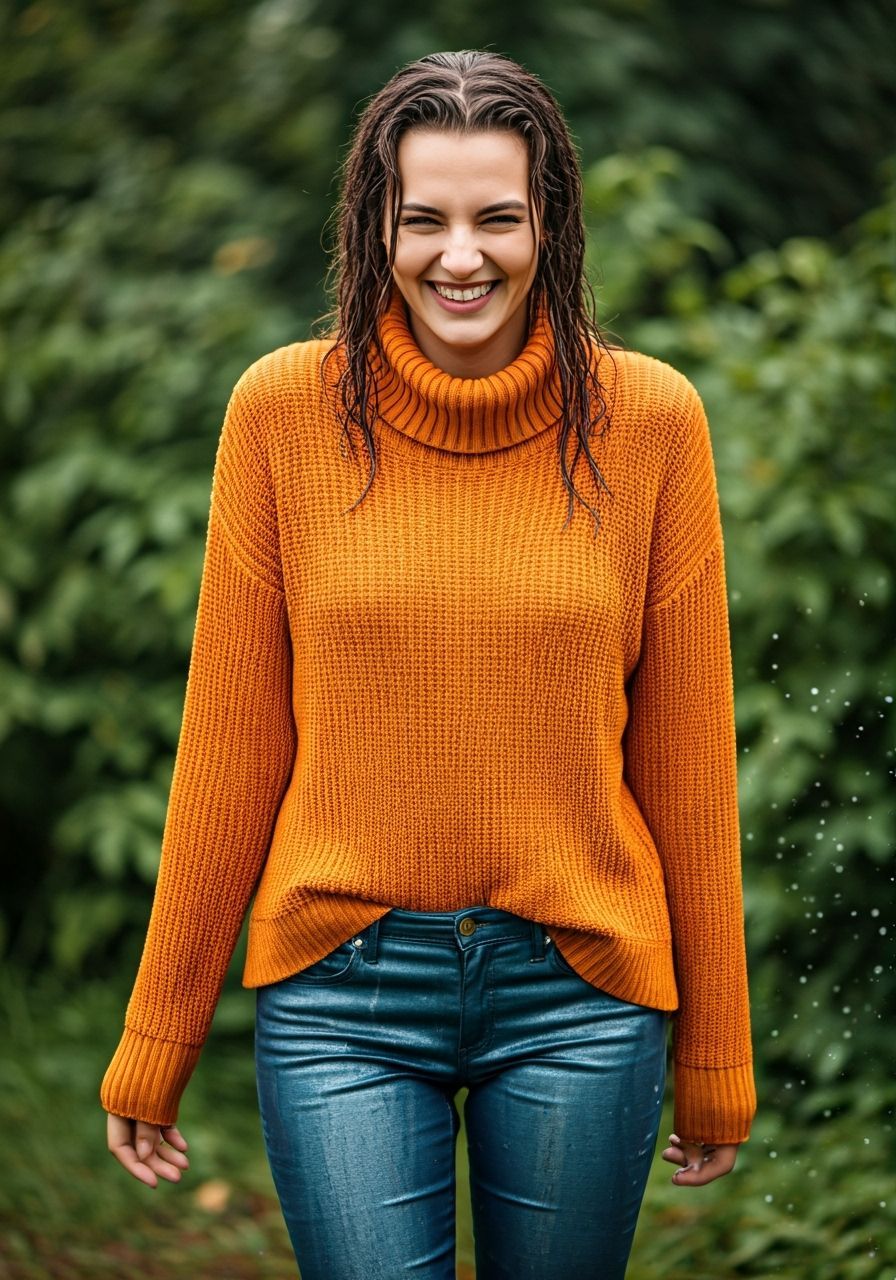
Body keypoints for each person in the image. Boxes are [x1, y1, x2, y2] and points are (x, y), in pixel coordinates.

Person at [101, 48, 757, 1280]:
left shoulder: (653, 422)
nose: (462, 255)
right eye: (426, 219)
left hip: (579, 985)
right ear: (375, 225)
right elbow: (230, 748)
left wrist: (714, 1052)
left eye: (496, 217)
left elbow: (684, 760)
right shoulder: (281, 414)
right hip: (342, 991)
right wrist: (159, 1029)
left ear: (546, 221)